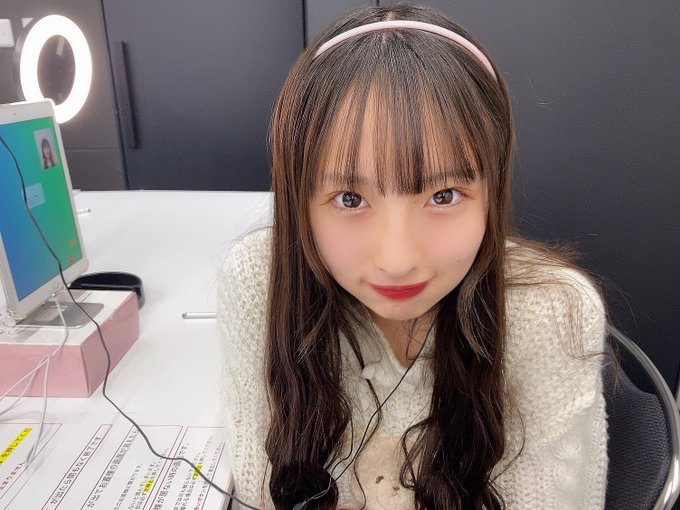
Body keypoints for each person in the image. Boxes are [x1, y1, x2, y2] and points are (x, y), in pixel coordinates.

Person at [218, 4, 607, 509]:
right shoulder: (261, 280)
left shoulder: (551, 313)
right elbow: (261, 490)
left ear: (492, 190)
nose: (398, 260)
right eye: (350, 199)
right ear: (299, 200)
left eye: (443, 195)